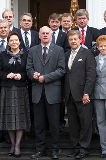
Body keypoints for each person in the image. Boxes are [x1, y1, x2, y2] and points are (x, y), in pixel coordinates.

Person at [26, 26, 65, 159]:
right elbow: (28, 69)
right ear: (39, 35)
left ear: (51, 35)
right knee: (39, 123)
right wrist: (33, 75)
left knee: (54, 123)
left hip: (53, 91)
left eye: (47, 33)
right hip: (37, 92)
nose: (45, 35)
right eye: (42, 33)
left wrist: (45, 78)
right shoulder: (32, 50)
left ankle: (54, 149)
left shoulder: (59, 50)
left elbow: (61, 70)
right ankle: (40, 149)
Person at [0, 32, 30, 158]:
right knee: (9, 119)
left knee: (20, 118)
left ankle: (17, 146)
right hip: (7, 89)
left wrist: (21, 76)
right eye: (11, 40)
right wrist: (6, 75)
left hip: (21, 88)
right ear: (8, 42)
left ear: (20, 42)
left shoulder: (26, 55)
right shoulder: (3, 55)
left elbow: (29, 71)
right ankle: (12, 144)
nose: (14, 42)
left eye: (16, 40)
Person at [65, 30, 96, 159]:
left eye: (75, 39)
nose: (73, 41)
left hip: (83, 95)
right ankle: (75, 147)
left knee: (85, 122)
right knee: (72, 123)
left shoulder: (87, 53)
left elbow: (91, 75)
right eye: (71, 39)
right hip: (69, 95)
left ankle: (84, 148)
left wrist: (87, 93)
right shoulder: (66, 54)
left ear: (80, 40)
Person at [17, 12, 40, 133]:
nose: (26, 22)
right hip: (19, 73)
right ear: (20, 22)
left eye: (29, 21)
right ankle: (21, 124)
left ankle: (32, 126)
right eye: (24, 20)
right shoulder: (14, 34)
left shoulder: (37, 35)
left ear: (32, 23)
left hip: (33, 72)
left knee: (33, 101)